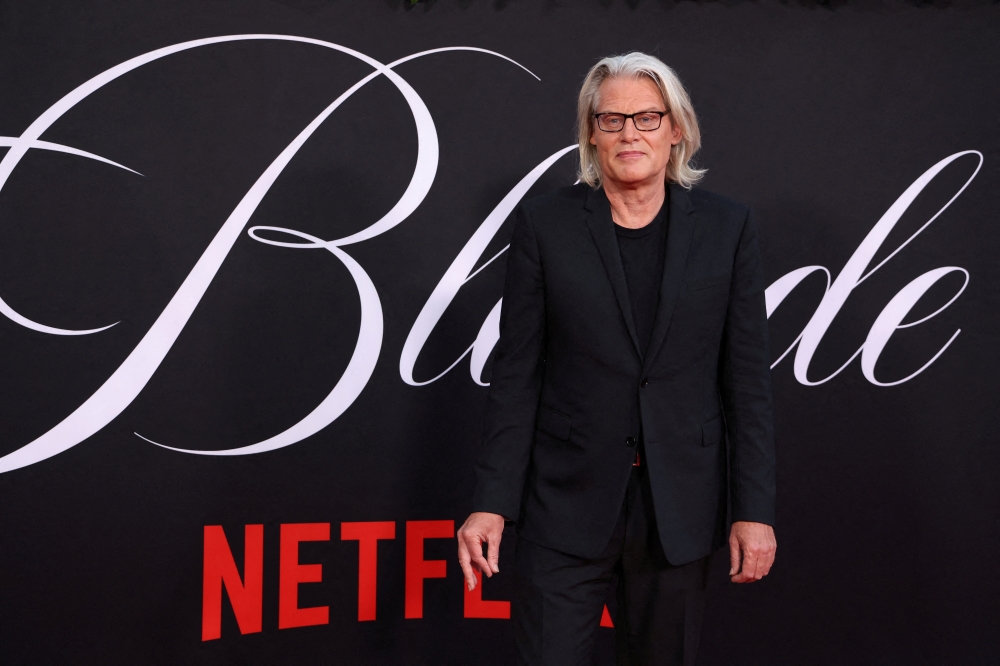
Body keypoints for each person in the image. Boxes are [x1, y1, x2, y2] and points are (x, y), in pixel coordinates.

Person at [457, 52, 776, 666]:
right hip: (564, 505)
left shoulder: (728, 228)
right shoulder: (544, 226)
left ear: (676, 129)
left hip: (678, 509)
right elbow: (517, 375)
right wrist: (491, 500)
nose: (630, 133)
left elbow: (747, 384)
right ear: (591, 134)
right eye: (612, 120)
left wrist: (754, 512)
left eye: (648, 118)